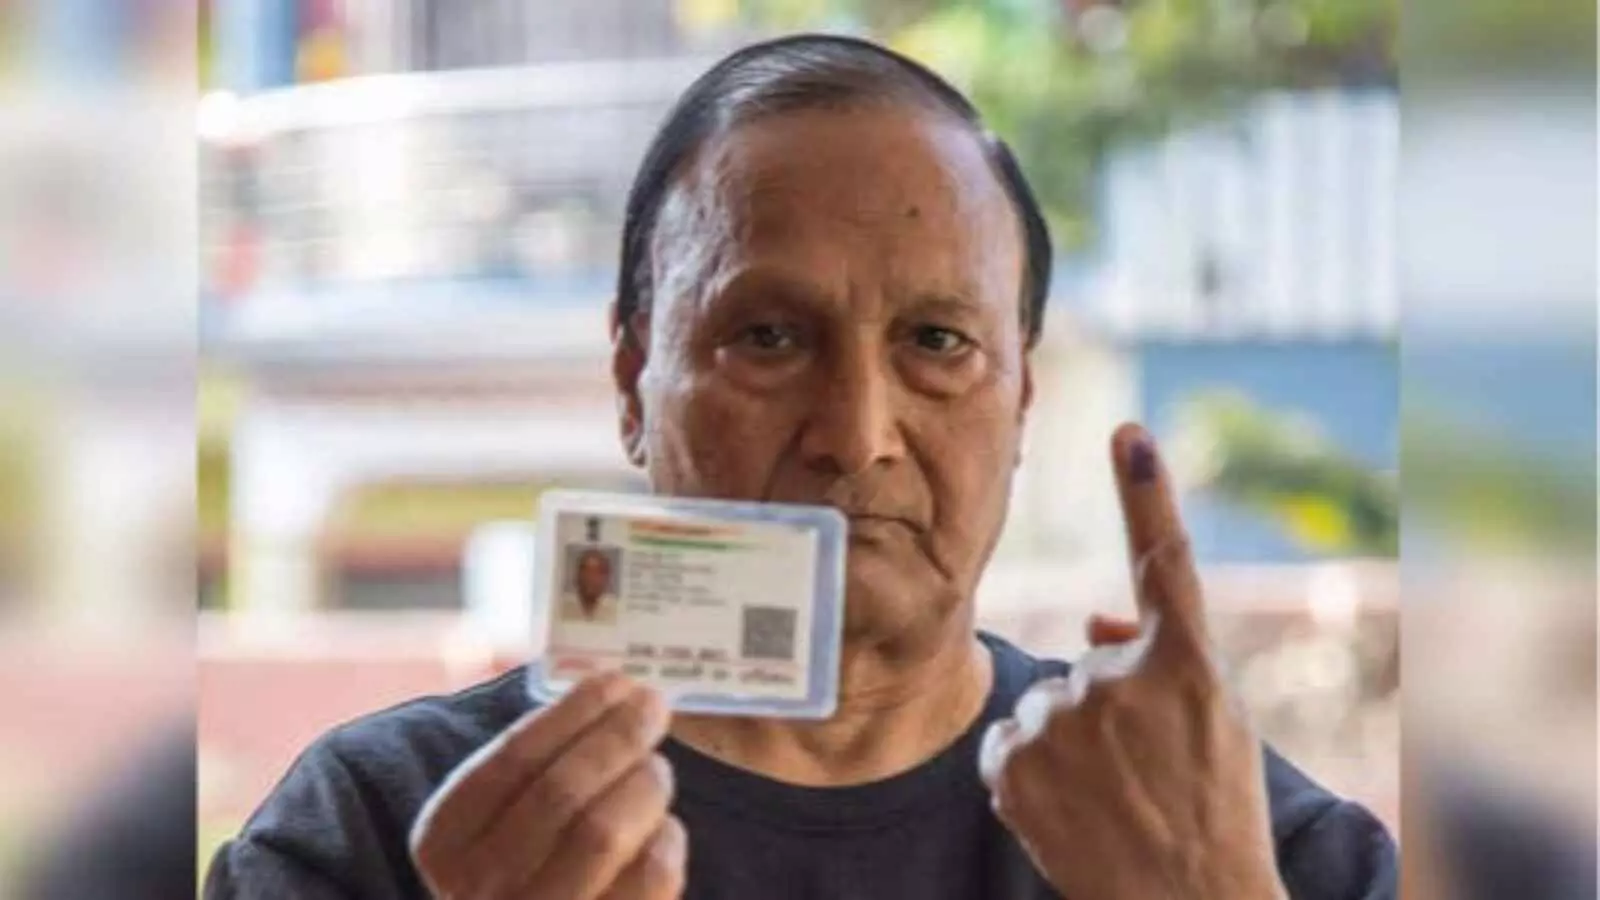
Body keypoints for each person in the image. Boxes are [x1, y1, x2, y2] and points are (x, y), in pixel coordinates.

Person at [205, 34, 1397, 899]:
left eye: (937, 344)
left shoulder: (1244, 845)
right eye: (768, 337)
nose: (857, 433)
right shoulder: (376, 827)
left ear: (1023, 399)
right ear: (632, 378)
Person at [563, 547, 619, 622]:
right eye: (587, 572)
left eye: (596, 573)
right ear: (577, 576)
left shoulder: (616, 611)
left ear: (606, 578)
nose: (590, 579)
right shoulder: (561, 607)